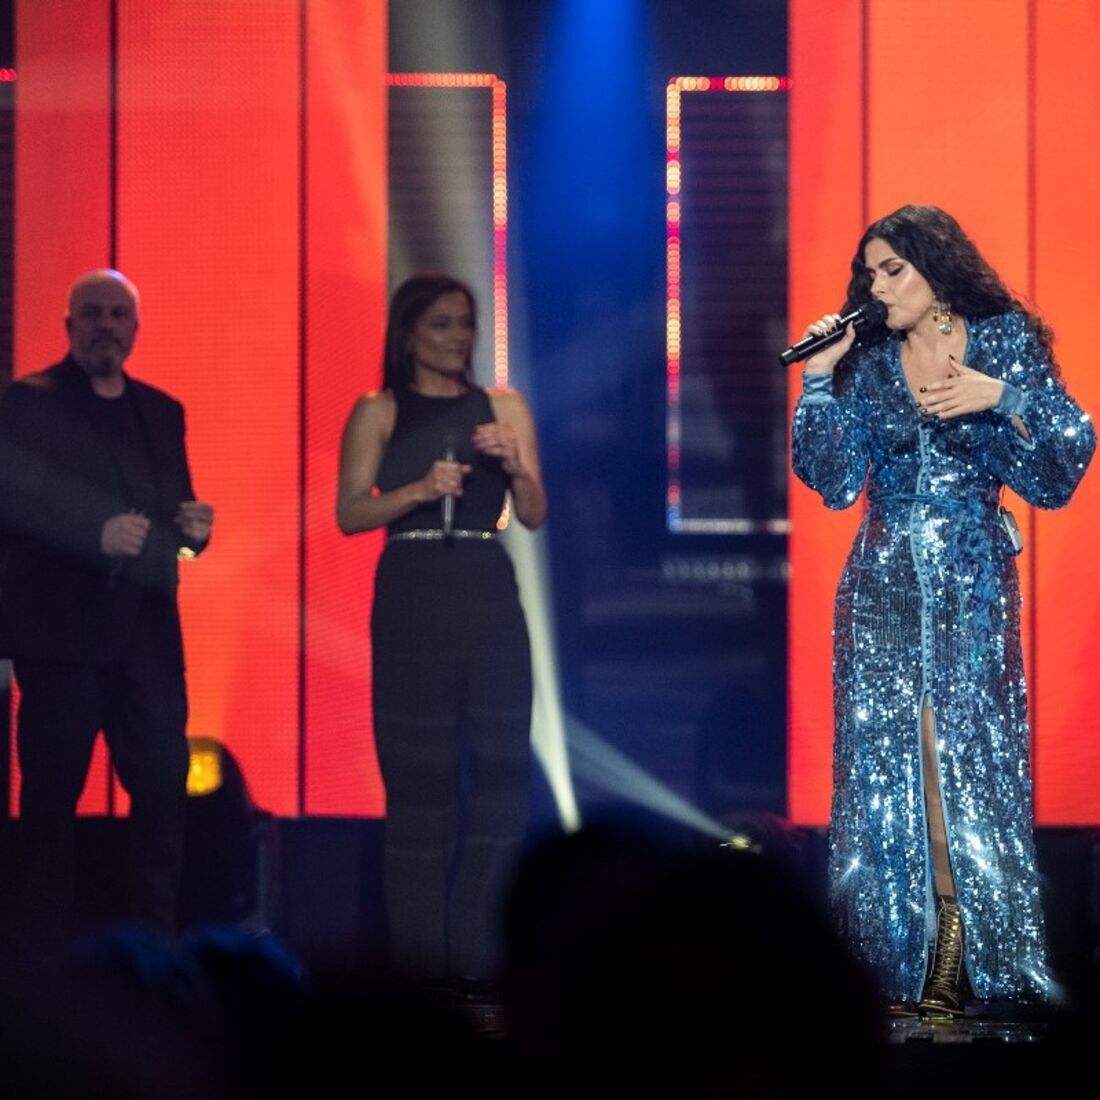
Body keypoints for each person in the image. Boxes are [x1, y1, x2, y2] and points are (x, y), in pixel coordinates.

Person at [792, 205, 1095, 1018]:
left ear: (937, 266)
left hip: (970, 579)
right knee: (889, 765)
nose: (878, 285)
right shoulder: (868, 360)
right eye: (870, 272)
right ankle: (905, 959)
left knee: (966, 757)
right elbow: (833, 479)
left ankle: (978, 954)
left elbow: (1061, 466)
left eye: (893, 269)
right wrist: (821, 377)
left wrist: (1004, 395)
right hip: (882, 581)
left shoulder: (1004, 340)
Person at [336, 273, 547, 991]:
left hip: (487, 591)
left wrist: (516, 465)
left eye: (465, 324)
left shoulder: (505, 406)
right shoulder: (380, 409)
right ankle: (420, 969)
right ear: (407, 334)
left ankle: (479, 958)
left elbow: (535, 513)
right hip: (413, 592)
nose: (458, 338)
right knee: (418, 785)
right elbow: (349, 512)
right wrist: (421, 490)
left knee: (500, 774)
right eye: (441, 325)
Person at [0, 269, 214, 945]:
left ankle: (156, 947)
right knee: (51, 802)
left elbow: (172, 514)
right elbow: (13, 501)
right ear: (68, 326)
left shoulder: (162, 410)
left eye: (118, 315)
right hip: (61, 638)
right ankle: (38, 961)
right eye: (91, 314)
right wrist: (90, 534)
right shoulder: (29, 402)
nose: (105, 326)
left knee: (162, 797)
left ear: (135, 330)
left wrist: (196, 533)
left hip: (147, 640)